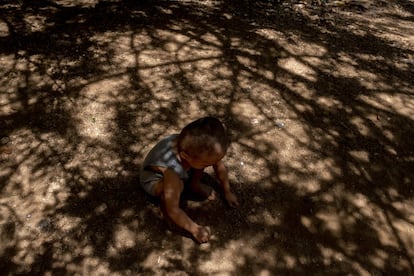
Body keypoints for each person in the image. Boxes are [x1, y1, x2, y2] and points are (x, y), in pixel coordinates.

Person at [140, 117, 239, 243]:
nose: (213, 165)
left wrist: (227, 191)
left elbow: (219, 166)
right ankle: (165, 212)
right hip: (154, 178)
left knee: (201, 164)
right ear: (185, 156)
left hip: (182, 166)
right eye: (208, 164)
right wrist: (195, 230)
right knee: (178, 186)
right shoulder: (172, 173)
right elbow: (174, 209)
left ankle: (194, 185)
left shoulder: (194, 148)